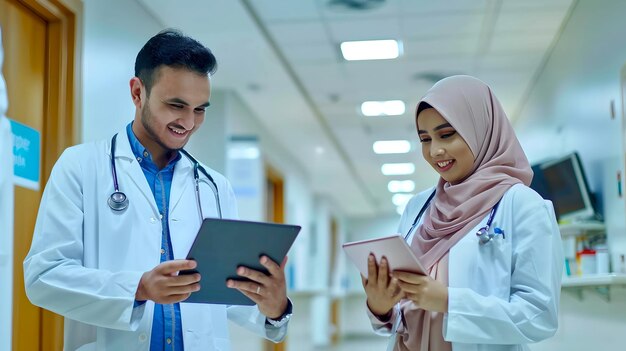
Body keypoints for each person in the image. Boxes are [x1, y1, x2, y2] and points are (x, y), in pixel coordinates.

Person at [24, 29, 292, 351]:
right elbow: (43, 277)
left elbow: (229, 294)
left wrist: (274, 307)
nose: (189, 122)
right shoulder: (80, 167)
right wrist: (138, 288)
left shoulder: (215, 187)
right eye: (176, 105)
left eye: (200, 109)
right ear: (138, 93)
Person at [362, 75, 562, 350]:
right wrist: (381, 306)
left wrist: (447, 301)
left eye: (447, 134)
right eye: (425, 139)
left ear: (480, 129)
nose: (435, 150)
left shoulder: (523, 205)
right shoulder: (418, 208)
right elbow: (405, 313)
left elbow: (539, 316)